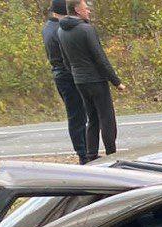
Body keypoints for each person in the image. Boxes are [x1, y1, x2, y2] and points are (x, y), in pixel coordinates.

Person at [57, 0, 126, 161]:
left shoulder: (60, 31)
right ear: (77, 10)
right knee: (106, 117)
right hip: (95, 80)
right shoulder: (86, 29)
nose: (88, 11)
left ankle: (91, 154)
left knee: (92, 118)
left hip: (80, 81)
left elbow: (65, 60)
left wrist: (76, 74)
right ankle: (111, 154)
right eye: (85, 8)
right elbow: (100, 58)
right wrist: (116, 81)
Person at [42, 0, 86, 163]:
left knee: (78, 114)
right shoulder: (57, 29)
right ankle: (83, 153)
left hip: (60, 74)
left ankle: (84, 150)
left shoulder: (48, 27)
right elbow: (66, 57)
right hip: (66, 75)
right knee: (76, 115)